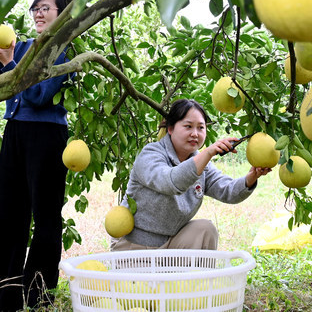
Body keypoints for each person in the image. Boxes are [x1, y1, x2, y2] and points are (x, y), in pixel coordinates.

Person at [0, 0, 74, 312]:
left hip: (46, 135)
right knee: (11, 212)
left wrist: (11, 63)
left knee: (45, 216)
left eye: (46, 8)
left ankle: (40, 294)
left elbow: (39, 95)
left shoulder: (61, 51)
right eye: (35, 9)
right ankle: (9, 296)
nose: (39, 14)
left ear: (63, 14)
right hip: (15, 132)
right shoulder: (26, 46)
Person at [111, 99, 272, 252]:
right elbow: (170, 181)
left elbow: (228, 191)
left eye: (201, 128)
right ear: (170, 128)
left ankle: (199, 280)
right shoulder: (151, 154)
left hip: (171, 243)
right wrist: (208, 152)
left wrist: (251, 177)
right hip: (135, 246)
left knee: (205, 230)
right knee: (149, 282)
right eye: (188, 126)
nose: (195, 133)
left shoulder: (201, 163)